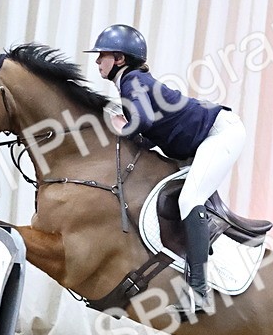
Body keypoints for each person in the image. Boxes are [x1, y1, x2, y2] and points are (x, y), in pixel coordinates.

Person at [85, 24, 246, 317]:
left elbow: (142, 123)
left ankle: (199, 292)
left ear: (119, 59)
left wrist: (122, 126)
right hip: (205, 138)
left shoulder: (132, 81)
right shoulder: (131, 82)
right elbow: (148, 134)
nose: (97, 61)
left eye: (102, 56)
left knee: (189, 199)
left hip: (220, 133)